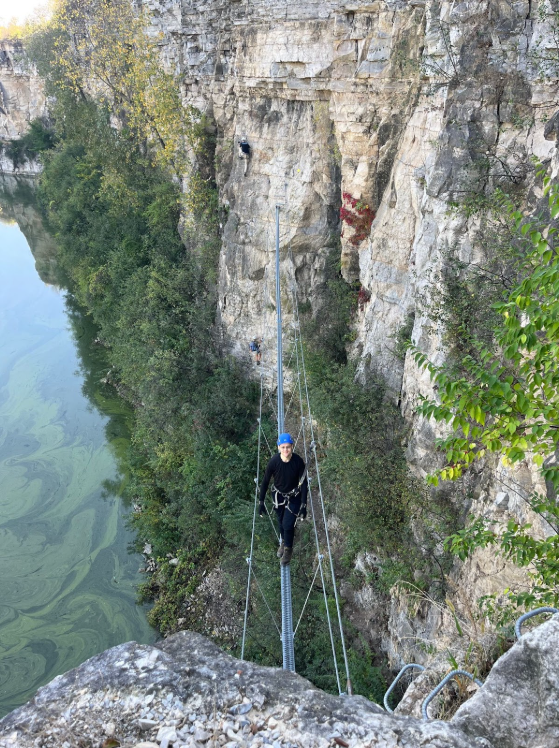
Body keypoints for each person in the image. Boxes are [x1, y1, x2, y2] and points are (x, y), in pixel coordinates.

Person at [259, 433, 308, 565]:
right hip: (278, 495)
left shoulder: (298, 462)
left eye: (288, 447)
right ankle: (284, 542)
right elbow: (265, 481)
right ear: (279, 447)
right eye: (283, 447)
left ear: (292, 446)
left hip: (294, 496)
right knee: (281, 523)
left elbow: (304, 483)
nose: (286, 450)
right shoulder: (274, 462)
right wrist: (261, 502)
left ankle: (288, 550)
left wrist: (304, 504)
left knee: (287, 524)